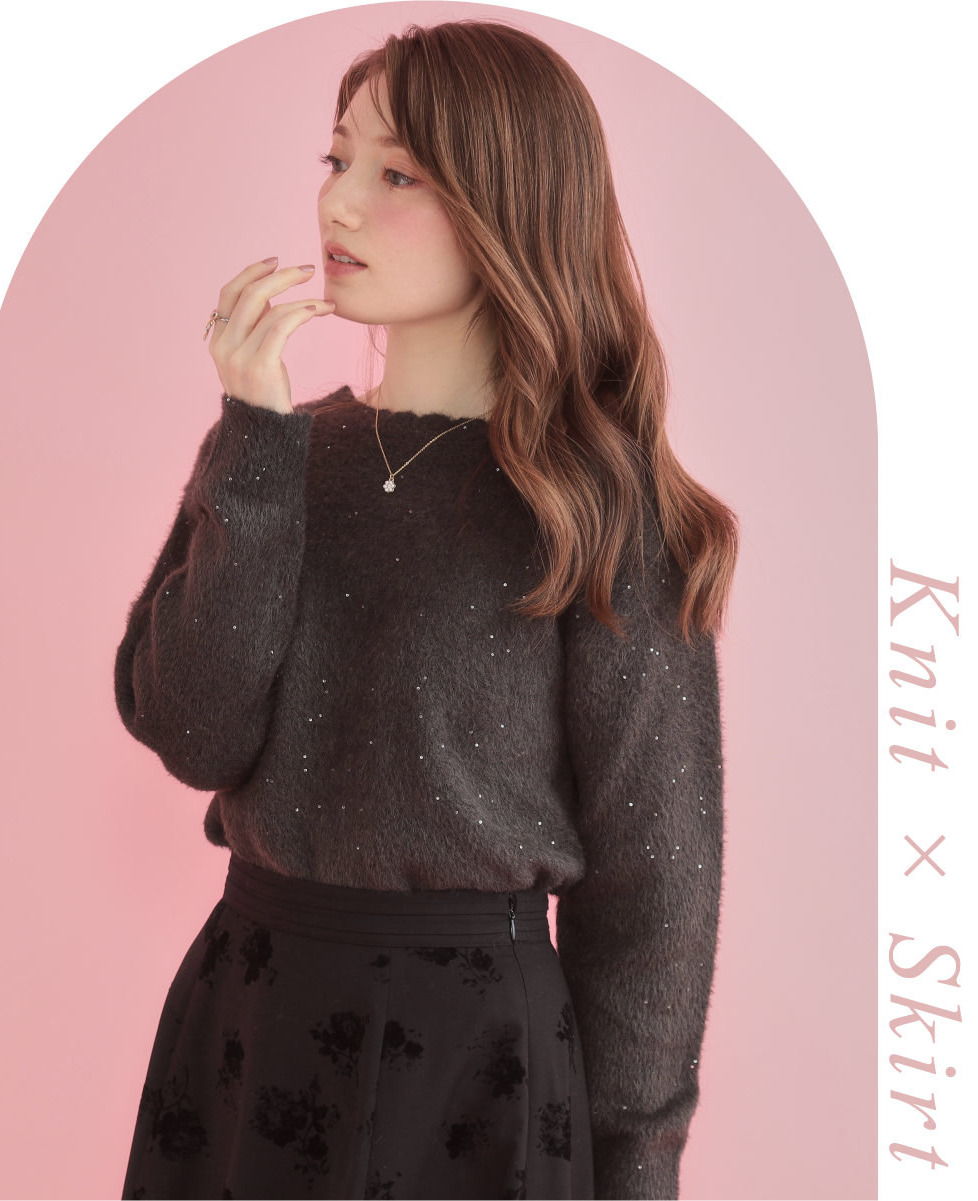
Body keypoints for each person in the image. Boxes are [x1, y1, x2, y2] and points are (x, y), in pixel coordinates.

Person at [115, 20, 737, 1201]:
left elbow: (653, 894)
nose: (338, 203)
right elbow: (192, 731)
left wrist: (637, 1171)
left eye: (396, 173)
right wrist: (254, 436)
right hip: (248, 1019)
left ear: (508, 203)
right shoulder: (279, 455)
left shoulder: (598, 509)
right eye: (336, 159)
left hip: (475, 1069)